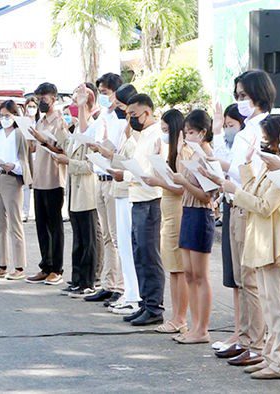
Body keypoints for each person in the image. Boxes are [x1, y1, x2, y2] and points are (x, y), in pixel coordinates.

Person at [217, 114, 280, 380]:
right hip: (261, 241)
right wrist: (248, 164)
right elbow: (253, 190)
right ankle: (270, 356)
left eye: (264, 139)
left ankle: (279, 360)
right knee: (268, 303)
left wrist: (235, 191)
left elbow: (264, 205)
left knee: (279, 304)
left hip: (275, 243)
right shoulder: (268, 167)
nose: (262, 143)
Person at [215, 70, 273, 368]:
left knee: (250, 279)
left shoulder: (263, 128)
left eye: (243, 96)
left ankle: (256, 342)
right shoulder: (246, 129)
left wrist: (231, 177)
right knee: (241, 277)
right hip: (235, 201)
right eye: (237, 97)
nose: (239, 102)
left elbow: (254, 171)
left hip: (249, 203)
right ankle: (247, 338)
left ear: (258, 96)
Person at [170, 110, 217, 344]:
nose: (187, 136)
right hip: (188, 212)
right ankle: (194, 324)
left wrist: (184, 183)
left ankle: (202, 328)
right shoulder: (191, 154)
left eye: (191, 132)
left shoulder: (207, 157)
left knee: (200, 275)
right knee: (188, 272)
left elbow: (206, 196)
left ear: (203, 132)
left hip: (201, 214)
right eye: (185, 132)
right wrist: (179, 152)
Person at [93, 83, 140, 314]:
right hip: (117, 187)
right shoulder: (122, 126)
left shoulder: (137, 130)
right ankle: (127, 291)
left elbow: (134, 161)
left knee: (128, 244)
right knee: (117, 240)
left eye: (123, 105)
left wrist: (109, 155)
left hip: (129, 189)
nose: (120, 110)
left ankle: (132, 294)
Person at [120, 93, 165, 326]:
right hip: (136, 198)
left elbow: (150, 172)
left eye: (134, 115)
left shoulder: (157, 135)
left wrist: (126, 174)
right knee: (139, 253)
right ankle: (145, 302)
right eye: (128, 115)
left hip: (150, 200)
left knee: (149, 255)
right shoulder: (141, 136)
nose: (131, 119)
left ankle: (154, 306)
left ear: (147, 112)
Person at [143, 109, 188, 334]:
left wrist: (159, 182)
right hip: (169, 212)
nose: (162, 134)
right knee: (173, 267)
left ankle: (180, 317)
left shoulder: (181, 153)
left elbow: (181, 187)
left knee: (178, 268)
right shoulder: (170, 152)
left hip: (177, 212)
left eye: (165, 130)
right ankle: (176, 316)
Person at [50, 84, 98, 296]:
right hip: (74, 191)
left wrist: (67, 161)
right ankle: (77, 278)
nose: (74, 110)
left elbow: (90, 165)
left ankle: (88, 280)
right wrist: (61, 127)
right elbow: (68, 145)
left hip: (86, 190)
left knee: (88, 239)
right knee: (78, 236)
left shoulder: (93, 129)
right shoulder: (77, 128)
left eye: (78, 105)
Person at [0, 100, 33, 280]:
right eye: (1, 116)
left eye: (8, 116)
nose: (4, 119)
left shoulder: (19, 134)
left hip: (11, 178)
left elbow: (25, 159)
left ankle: (19, 266)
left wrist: (15, 166)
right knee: (0, 225)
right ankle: (2, 264)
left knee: (15, 223)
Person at [209, 102, 246, 351]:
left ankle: (247, 334)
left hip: (243, 207)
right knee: (234, 277)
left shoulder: (248, 141)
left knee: (245, 279)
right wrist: (218, 130)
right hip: (230, 206)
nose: (228, 130)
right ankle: (238, 330)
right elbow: (218, 155)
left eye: (231, 125)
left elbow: (238, 172)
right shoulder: (230, 142)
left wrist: (218, 167)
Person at [85, 72, 125, 303]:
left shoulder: (121, 120)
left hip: (114, 179)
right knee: (108, 236)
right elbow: (84, 132)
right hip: (99, 177)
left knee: (117, 236)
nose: (103, 97)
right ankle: (108, 282)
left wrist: (103, 148)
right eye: (100, 93)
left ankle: (119, 285)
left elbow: (118, 151)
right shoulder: (102, 117)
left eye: (106, 93)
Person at [25, 82, 69, 286]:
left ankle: (56, 269)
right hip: (39, 179)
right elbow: (34, 149)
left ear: (53, 98)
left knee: (54, 225)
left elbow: (63, 150)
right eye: (38, 99)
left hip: (54, 178)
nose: (40, 102)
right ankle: (46, 265)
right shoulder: (39, 121)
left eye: (43, 98)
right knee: (41, 225)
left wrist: (43, 140)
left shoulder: (60, 122)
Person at [21, 97, 40, 222]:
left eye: (34, 106)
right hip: (26, 155)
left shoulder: (40, 123)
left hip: (38, 156)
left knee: (38, 184)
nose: (31, 109)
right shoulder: (22, 122)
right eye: (29, 106)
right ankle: (25, 212)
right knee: (26, 185)